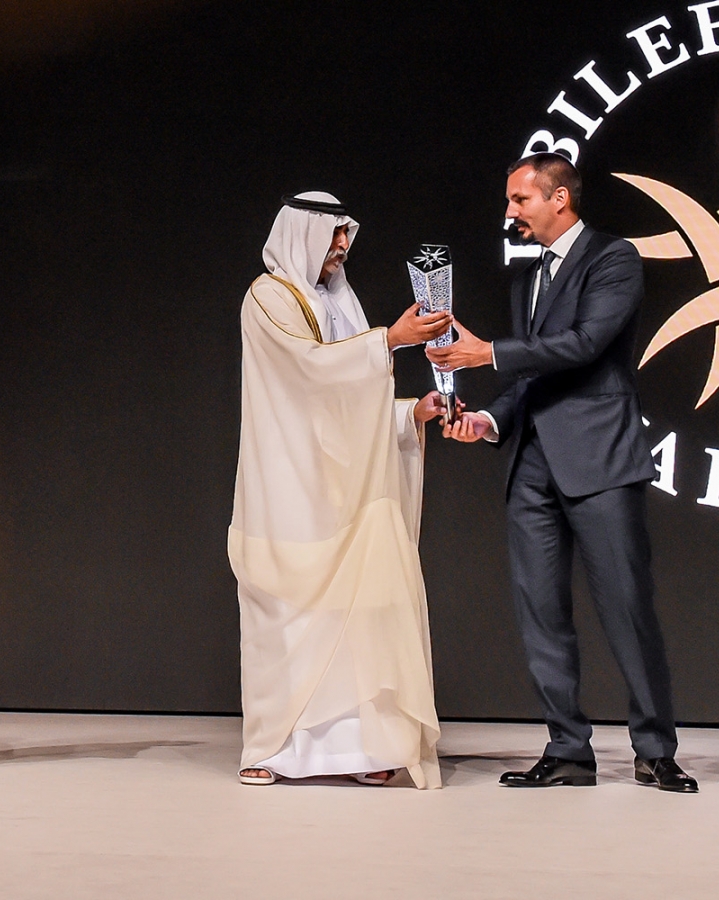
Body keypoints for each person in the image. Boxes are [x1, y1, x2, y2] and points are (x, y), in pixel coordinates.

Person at [426, 154, 696, 792]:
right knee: (541, 612)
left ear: (561, 199)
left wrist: (487, 350)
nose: (511, 213)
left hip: (600, 460)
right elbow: (533, 376)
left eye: (521, 200)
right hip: (532, 468)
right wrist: (490, 421)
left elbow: (585, 344)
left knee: (628, 609)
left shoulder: (614, 258)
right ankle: (568, 749)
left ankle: (655, 750)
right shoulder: (527, 280)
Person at [229, 191, 452, 788]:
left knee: (360, 612)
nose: (342, 247)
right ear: (303, 233)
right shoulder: (268, 297)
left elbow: (348, 403)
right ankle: (272, 748)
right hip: (289, 488)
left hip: (346, 492)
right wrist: (390, 340)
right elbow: (306, 373)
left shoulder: (341, 302)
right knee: (286, 614)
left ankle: (360, 750)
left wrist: (410, 415)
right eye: (333, 236)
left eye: (347, 235)